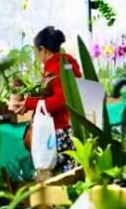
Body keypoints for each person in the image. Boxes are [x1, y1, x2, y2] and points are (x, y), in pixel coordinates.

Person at [13, 26, 82, 173]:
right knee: (70, 175)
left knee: (52, 175)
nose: (36, 56)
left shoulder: (55, 67)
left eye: (36, 51)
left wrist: (30, 103)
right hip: (68, 128)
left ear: (42, 49)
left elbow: (59, 100)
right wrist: (28, 101)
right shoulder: (68, 62)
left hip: (54, 132)